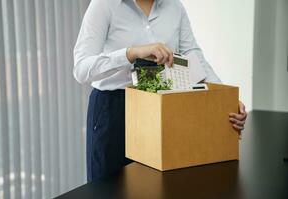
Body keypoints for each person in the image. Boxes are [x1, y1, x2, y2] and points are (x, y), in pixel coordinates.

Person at [73, 0, 247, 183]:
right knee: (108, 189)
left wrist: (225, 100)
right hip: (113, 111)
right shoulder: (104, 5)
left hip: (163, 109)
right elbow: (81, 69)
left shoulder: (174, 6)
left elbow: (192, 55)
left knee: (157, 188)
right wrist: (131, 53)